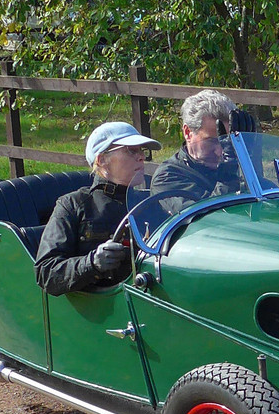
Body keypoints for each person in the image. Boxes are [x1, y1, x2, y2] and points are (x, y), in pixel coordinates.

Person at [34, 121, 161, 296]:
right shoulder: (73, 205)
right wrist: (92, 263)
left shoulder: (150, 202)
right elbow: (46, 273)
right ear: (102, 160)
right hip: (106, 311)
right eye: (131, 150)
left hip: (154, 296)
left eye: (141, 150)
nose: (141, 157)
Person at [149, 89, 258, 200]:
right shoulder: (167, 178)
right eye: (211, 141)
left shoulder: (233, 165)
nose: (220, 152)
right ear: (188, 133)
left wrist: (243, 156)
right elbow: (210, 215)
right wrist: (228, 178)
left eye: (228, 144)